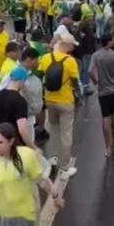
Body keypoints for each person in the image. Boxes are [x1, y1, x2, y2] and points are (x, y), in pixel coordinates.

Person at [37, 34, 81, 172]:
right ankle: (66, 165)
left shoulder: (45, 58)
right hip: (66, 101)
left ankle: (52, 157)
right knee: (66, 133)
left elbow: (39, 77)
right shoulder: (70, 61)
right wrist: (79, 97)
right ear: (65, 45)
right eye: (72, 44)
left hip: (50, 100)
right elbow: (75, 83)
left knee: (53, 129)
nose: (73, 47)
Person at [89, 34, 114, 157]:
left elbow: (90, 71)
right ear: (109, 42)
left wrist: (95, 81)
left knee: (105, 116)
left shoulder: (96, 55)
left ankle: (107, 147)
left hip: (103, 91)